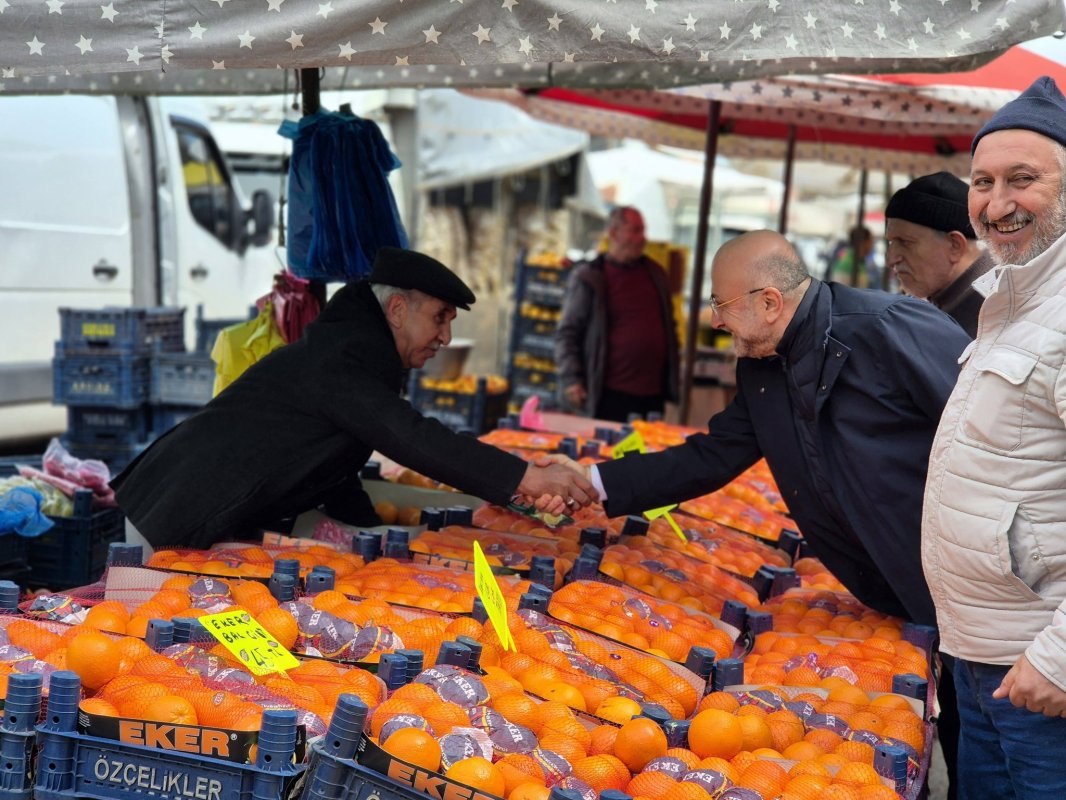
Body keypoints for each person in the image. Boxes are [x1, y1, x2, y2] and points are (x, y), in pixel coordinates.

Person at [556, 229, 969, 794]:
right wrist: (595, 484)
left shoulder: (888, 329)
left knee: (994, 749)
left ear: (769, 303)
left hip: (968, 585)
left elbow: (987, 434)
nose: (716, 321)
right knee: (964, 742)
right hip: (895, 592)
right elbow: (714, 455)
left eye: (721, 305)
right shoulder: (764, 367)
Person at [112, 247, 594, 552]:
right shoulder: (345, 359)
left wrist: (372, 537)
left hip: (203, 508)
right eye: (440, 318)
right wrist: (525, 477)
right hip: (177, 511)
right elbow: (413, 439)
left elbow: (335, 463)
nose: (446, 337)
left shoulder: (363, 354)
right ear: (399, 309)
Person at [922, 76, 1066, 798]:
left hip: (1041, 673)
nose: (997, 202)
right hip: (984, 660)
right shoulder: (1011, 300)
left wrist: (1060, 660)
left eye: (1023, 180)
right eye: (981, 181)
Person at [555, 206, 680, 422]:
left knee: (648, 454)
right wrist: (572, 379)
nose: (643, 238)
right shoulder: (589, 278)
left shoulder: (656, 274)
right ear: (613, 233)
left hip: (652, 396)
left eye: (643, 231)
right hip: (609, 395)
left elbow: (670, 326)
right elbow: (567, 333)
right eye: (635, 230)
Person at [885, 171, 995, 337]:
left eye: (905, 242)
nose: (891, 259)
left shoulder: (995, 309)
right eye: (891, 243)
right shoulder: (953, 303)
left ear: (955, 246)